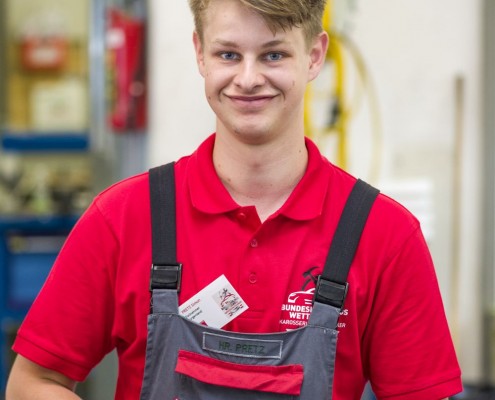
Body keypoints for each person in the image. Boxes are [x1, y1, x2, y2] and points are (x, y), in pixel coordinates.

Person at [6, 0, 462, 399]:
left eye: (273, 54)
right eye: (228, 54)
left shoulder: (384, 235)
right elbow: (32, 383)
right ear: (200, 53)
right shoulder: (123, 218)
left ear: (314, 55)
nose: (248, 79)